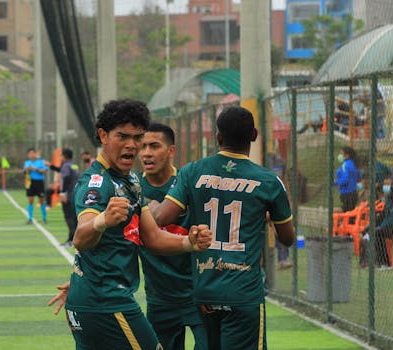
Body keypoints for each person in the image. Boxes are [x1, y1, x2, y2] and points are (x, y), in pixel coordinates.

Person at [47, 98, 212, 349]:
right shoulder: (97, 183)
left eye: (137, 138)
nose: (132, 145)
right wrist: (102, 220)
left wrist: (189, 243)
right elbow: (80, 238)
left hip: (97, 299)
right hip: (107, 302)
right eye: (122, 136)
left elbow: (153, 238)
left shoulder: (131, 181)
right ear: (103, 135)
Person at [150, 106, 295, 350]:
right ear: (254, 135)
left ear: (218, 138)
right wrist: (267, 219)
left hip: (206, 291)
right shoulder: (269, 181)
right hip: (243, 294)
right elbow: (288, 238)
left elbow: (163, 217)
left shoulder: (192, 171)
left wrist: (152, 205)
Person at [137, 122, 207, 349]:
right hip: (160, 297)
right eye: (143, 146)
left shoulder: (191, 183)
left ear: (171, 151)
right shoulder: (132, 188)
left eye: (154, 146)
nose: (146, 153)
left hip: (198, 294)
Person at [59, 148, 79, 248]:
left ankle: (72, 239)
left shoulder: (65, 166)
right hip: (75, 194)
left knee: (69, 217)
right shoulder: (74, 165)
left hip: (68, 195)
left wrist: (63, 193)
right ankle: (72, 238)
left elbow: (65, 178)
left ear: (65, 156)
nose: (60, 157)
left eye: (61, 155)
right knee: (74, 217)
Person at [23, 148, 49, 224]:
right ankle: (30, 219)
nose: (32, 155)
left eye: (33, 153)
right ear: (28, 155)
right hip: (30, 182)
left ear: (35, 154)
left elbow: (45, 171)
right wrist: (27, 169)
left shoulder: (40, 162)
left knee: (41, 200)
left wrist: (35, 169)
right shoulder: (27, 163)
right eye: (30, 153)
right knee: (30, 200)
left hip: (39, 182)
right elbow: (24, 172)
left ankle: (44, 218)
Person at [334, 146, 361, 213]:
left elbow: (345, 180)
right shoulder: (355, 164)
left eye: (341, 153)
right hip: (354, 193)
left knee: (345, 210)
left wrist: (335, 182)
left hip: (346, 194)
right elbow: (359, 178)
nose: (339, 156)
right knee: (350, 212)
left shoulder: (345, 165)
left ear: (347, 155)